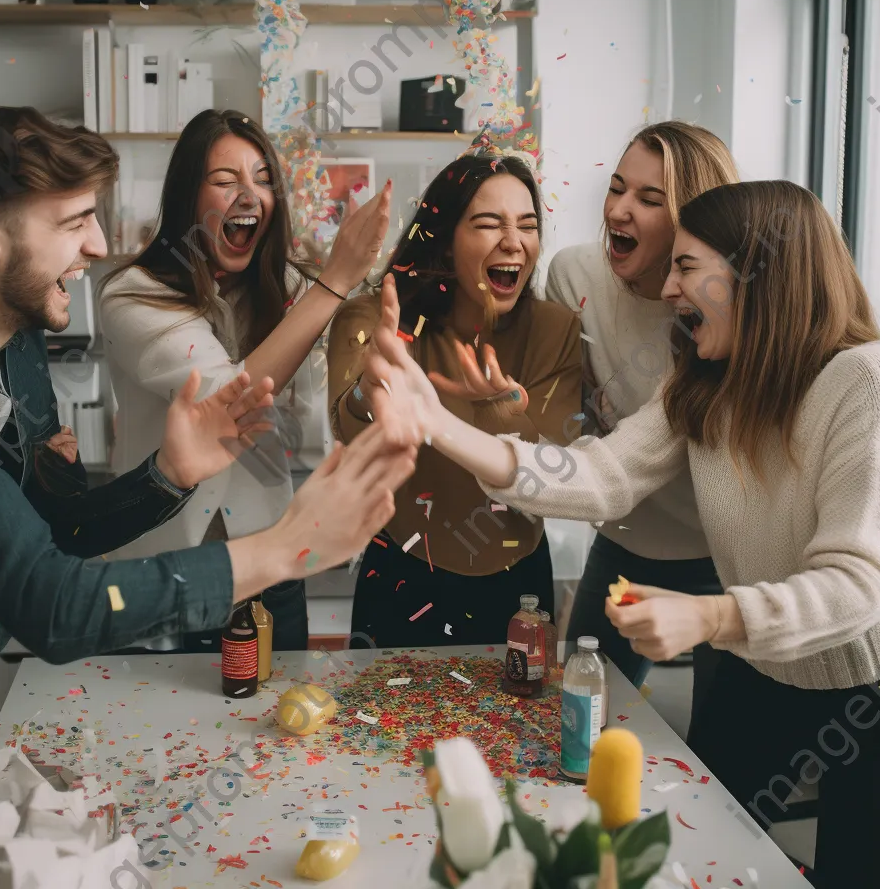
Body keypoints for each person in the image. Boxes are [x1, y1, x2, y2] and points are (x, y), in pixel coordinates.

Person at [0, 105, 415, 888]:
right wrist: (284, 549)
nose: (97, 245)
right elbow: (48, 604)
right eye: (76, 222)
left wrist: (169, 475)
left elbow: (56, 527)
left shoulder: (12, 336)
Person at [365, 180, 880, 887]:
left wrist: (711, 614)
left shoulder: (862, 380)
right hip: (755, 673)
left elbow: (857, 585)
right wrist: (440, 424)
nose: (668, 289)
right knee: (714, 856)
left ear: (759, 276)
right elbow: (599, 476)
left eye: (687, 266)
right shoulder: (702, 382)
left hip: (868, 689)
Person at [99, 108, 391, 653]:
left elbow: (318, 410)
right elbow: (224, 401)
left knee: (278, 727)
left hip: (270, 562)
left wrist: (369, 380)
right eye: (224, 180)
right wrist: (334, 282)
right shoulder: (132, 293)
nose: (248, 196)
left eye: (262, 180)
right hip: (166, 568)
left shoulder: (288, 289)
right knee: (160, 732)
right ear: (187, 197)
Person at [327, 150, 582, 648]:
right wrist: (370, 390)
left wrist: (501, 409)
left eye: (527, 225)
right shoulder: (375, 318)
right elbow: (348, 426)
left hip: (519, 586)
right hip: (401, 576)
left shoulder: (555, 328)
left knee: (518, 725)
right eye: (489, 224)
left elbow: (557, 466)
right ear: (444, 244)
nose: (513, 241)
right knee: (385, 726)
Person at [544, 120, 739, 716]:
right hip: (624, 544)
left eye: (650, 200)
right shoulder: (573, 277)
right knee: (576, 716)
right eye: (617, 187)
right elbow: (566, 419)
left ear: (692, 221)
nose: (618, 210)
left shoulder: (731, 305)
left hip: (728, 561)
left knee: (726, 754)